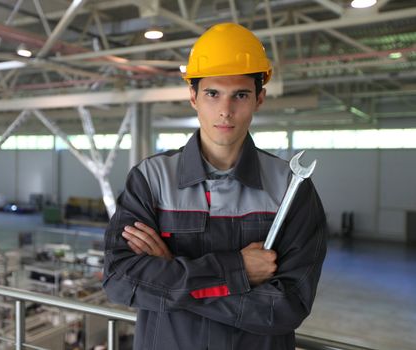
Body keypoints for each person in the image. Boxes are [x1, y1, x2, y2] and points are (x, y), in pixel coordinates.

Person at [103, 22, 327, 350]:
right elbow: (120, 281)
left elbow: (285, 307)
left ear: (259, 99)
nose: (225, 110)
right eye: (212, 93)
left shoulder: (290, 189)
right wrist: (236, 271)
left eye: (240, 95)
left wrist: (170, 275)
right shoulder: (151, 179)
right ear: (193, 96)